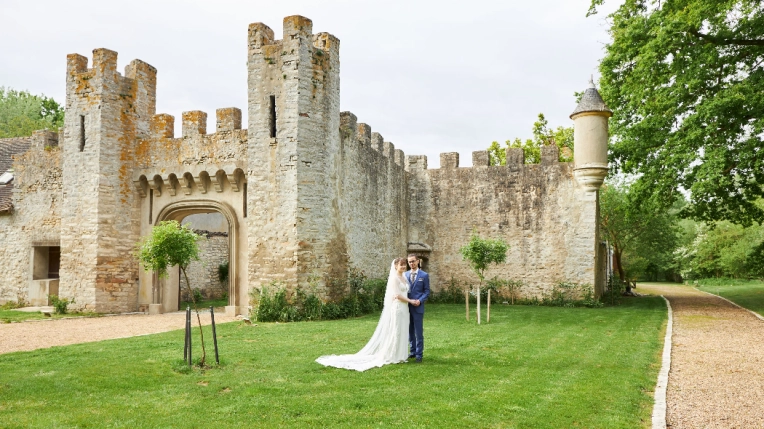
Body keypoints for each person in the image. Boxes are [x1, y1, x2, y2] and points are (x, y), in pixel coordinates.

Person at [316, 258, 414, 371]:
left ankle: (401, 355)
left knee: (403, 329)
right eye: (401, 265)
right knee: (396, 329)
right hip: (397, 307)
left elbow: (405, 291)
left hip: (404, 308)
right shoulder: (394, 279)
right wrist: (411, 301)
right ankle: (393, 355)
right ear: (395, 266)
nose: (403, 267)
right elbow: (397, 294)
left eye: (404, 265)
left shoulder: (404, 277)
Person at [406, 254, 430, 363]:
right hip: (406, 307)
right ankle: (413, 351)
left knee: (418, 331)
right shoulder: (405, 275)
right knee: (410, 331)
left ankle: (419, 355)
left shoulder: (424, 275)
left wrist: (420, 300)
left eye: (413, 261)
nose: (411, 263)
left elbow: (426, 291)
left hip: (418, 307)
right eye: (410, 262)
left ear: (418, 261)